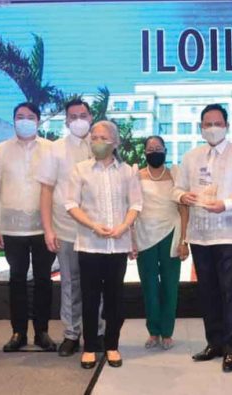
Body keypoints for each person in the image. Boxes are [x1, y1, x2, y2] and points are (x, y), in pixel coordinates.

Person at [173, 103, 232, 373]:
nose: (212, 128)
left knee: (230, 292)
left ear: (226, 125)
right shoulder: (191, 156)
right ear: (200, 128)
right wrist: (182, 196)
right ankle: (215, 343)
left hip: (229, 234)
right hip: (200, 235)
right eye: (207, 124)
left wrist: (227, 203)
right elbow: (176, 189)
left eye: (217, 123)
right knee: (208, 292)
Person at [65, 120, 142, 369]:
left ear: (115, 142)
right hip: (89, 244)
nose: (97, 142)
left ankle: (112, 346)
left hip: (117, 247)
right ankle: (89, 347)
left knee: (114, 300)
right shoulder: (80, 170)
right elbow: (71, 204)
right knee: (89, 298)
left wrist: (123, 227)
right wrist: (93, 226)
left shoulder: (128, 172)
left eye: (103, 138)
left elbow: (135, 205)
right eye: (94, 137)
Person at [0, 102, 56, 352]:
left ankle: (42, 332)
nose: (24, 120)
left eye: (30, 117)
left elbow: (56, 188)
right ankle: (18, 332)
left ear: (38, 121)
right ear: (13, 120)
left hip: (44, 227)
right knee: (16, 279)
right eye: (19, 117)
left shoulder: (51, 149)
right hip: (12, 227)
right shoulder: (1, 150)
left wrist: (54, 225)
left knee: (43, 280)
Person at [36, 99, 95, 357]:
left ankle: (98, 332)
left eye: (83, 115)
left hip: (96, 230)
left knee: (97, 283)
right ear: (67, 121)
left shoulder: (100, 144)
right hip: (66, 228)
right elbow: (46, 190)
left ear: (91, 117)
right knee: (70, 282)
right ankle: (71, 334)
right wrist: (48, 229)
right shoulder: (55, 149)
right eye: (74, 116)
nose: (79, 120)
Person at [131, 136, 190, 351]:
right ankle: (153, 331)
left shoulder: (175, 174)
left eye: (158, 148)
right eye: (150, 148)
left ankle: (167, 332)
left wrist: (185, 240)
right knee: (149, 286)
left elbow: (184, 209)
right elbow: (132, 208)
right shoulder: (136, 176)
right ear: (144, 152)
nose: (154, 151)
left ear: (165, 150)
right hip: (144, 235)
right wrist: (131, 239)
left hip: (171, 234)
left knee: (169, 285)